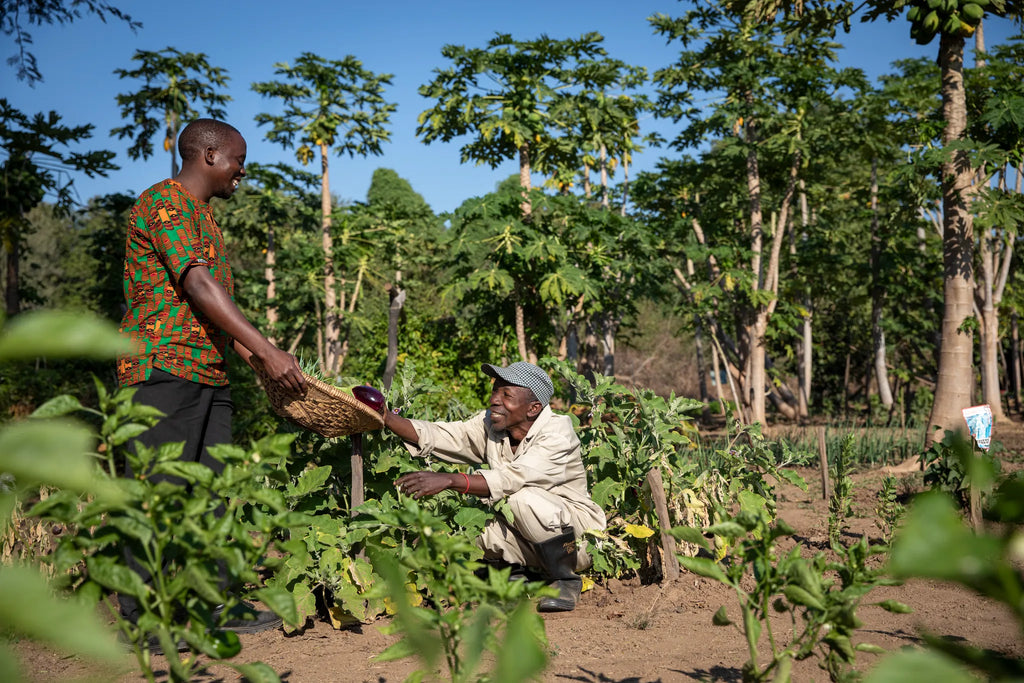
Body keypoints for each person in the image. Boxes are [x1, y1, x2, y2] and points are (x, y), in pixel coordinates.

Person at [117, 118, 306, 638]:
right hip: (160, 368)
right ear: (209, 155)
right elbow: (198, 285)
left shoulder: (206, 219)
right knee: (161, 491)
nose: (242, 171)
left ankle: (215, 604)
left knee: (215, 492)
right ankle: (144, 621)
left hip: (208, 370)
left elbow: (214, 304)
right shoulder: (164, 203)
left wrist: (256, 359)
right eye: (238, 160)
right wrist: (267, 350)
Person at [384, 361, 606, 612]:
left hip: (576, 541)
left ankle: (565, 580)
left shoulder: (557, 433)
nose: (494, 400)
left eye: (506, 394)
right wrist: (386, 417)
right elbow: (444, 435)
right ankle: (518, 574)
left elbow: (511, 479)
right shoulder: (493, 424)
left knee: (521, 499)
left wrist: (450, 479)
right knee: (472, 526)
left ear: (533, 408)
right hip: (532, 539)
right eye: (495, 391)